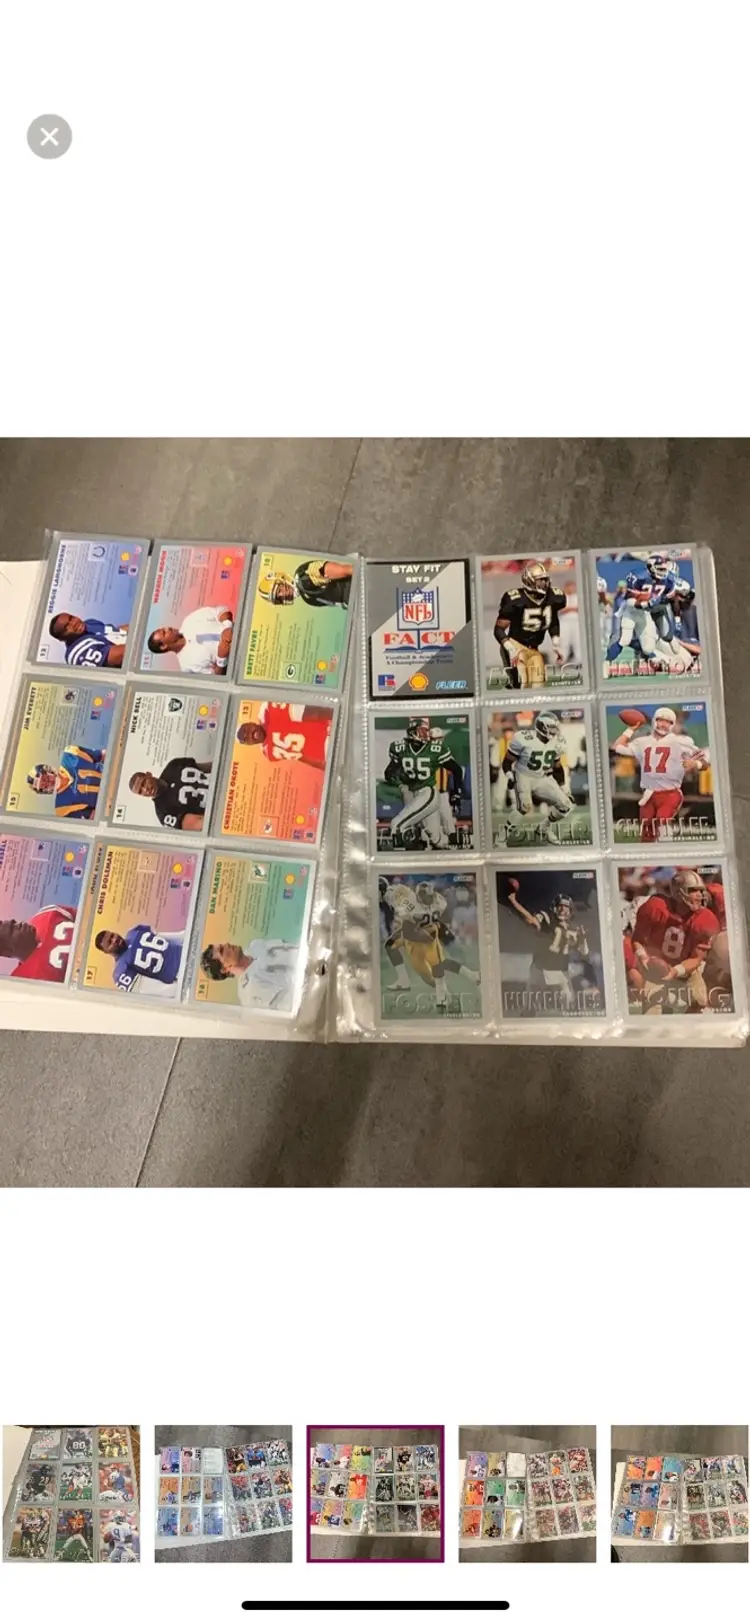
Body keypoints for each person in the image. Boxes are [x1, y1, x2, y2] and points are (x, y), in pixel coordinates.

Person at [200, 937, 300, 1010]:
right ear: (224, 969)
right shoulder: (251, 992)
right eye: (222, 950)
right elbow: (291, 1002)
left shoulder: (256, 945)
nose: (227, 944)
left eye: (222, 945)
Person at [147, 604, 234, 674]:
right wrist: (222, 658)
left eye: (164, 628)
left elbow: (221, 610)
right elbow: (216, 678)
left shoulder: (190, 620)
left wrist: (227, 626)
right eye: (164, 632)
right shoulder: (186, 666)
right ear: (163, 646)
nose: (168, 628)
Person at [128, 759, 212, 830]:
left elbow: (208, 767)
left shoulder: (173, 765)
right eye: (140, 791)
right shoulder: (163, 813)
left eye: (144, 783)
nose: (145, 790)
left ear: (148, 774)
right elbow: (197, 824)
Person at [28, 744, 106, 819]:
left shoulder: (70, 753)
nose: (49, 783)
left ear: (47, 770)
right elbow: (93, 817)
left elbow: (102, 755)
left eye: (46, 778)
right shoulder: (61, 808)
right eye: (45, 786)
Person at [48, 612, 128, 669]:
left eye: (71, 618)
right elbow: (120, 655)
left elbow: (118, 632)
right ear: (62, 638)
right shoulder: (78, 652)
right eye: (67, 627)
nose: (74, 623)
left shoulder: (89, 623)